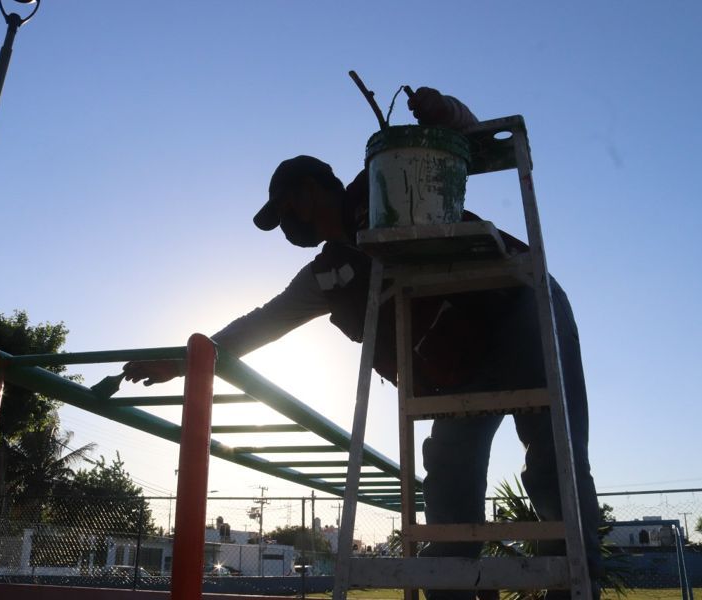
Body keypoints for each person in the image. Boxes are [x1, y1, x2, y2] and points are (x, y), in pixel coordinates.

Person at [122, 87, 601, 599]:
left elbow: (459, 146)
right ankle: (455, 588)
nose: (286, 227)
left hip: (519, 303)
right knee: (450, 474)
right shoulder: (327, 275)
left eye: (285, 211)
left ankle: (573, 588)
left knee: (554, 459)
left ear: (311, 190)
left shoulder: (386, 181)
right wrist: (184, 362)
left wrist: (446, 114)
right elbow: (263, 322)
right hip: (461, 364)